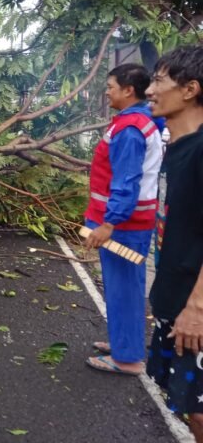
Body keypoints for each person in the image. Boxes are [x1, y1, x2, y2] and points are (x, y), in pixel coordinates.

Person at [84, 63, 162, 376]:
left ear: (129, 90)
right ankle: (123, 343)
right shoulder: (138, 121)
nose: (107, 91)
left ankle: (128, 358)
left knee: (125, 287)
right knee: (121, 285)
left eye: (111, 86)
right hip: (128, 224)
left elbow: (125, 182)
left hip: (124, 227)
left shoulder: (130, 129)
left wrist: (108, 223)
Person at [144, 46, 203, 442]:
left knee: (199, 411)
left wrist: (198, 307)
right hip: (174, 300)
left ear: (189, 89)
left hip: (194, 310)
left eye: (159, 81)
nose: (149, 90)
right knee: (187, 406)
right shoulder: (177, 150)